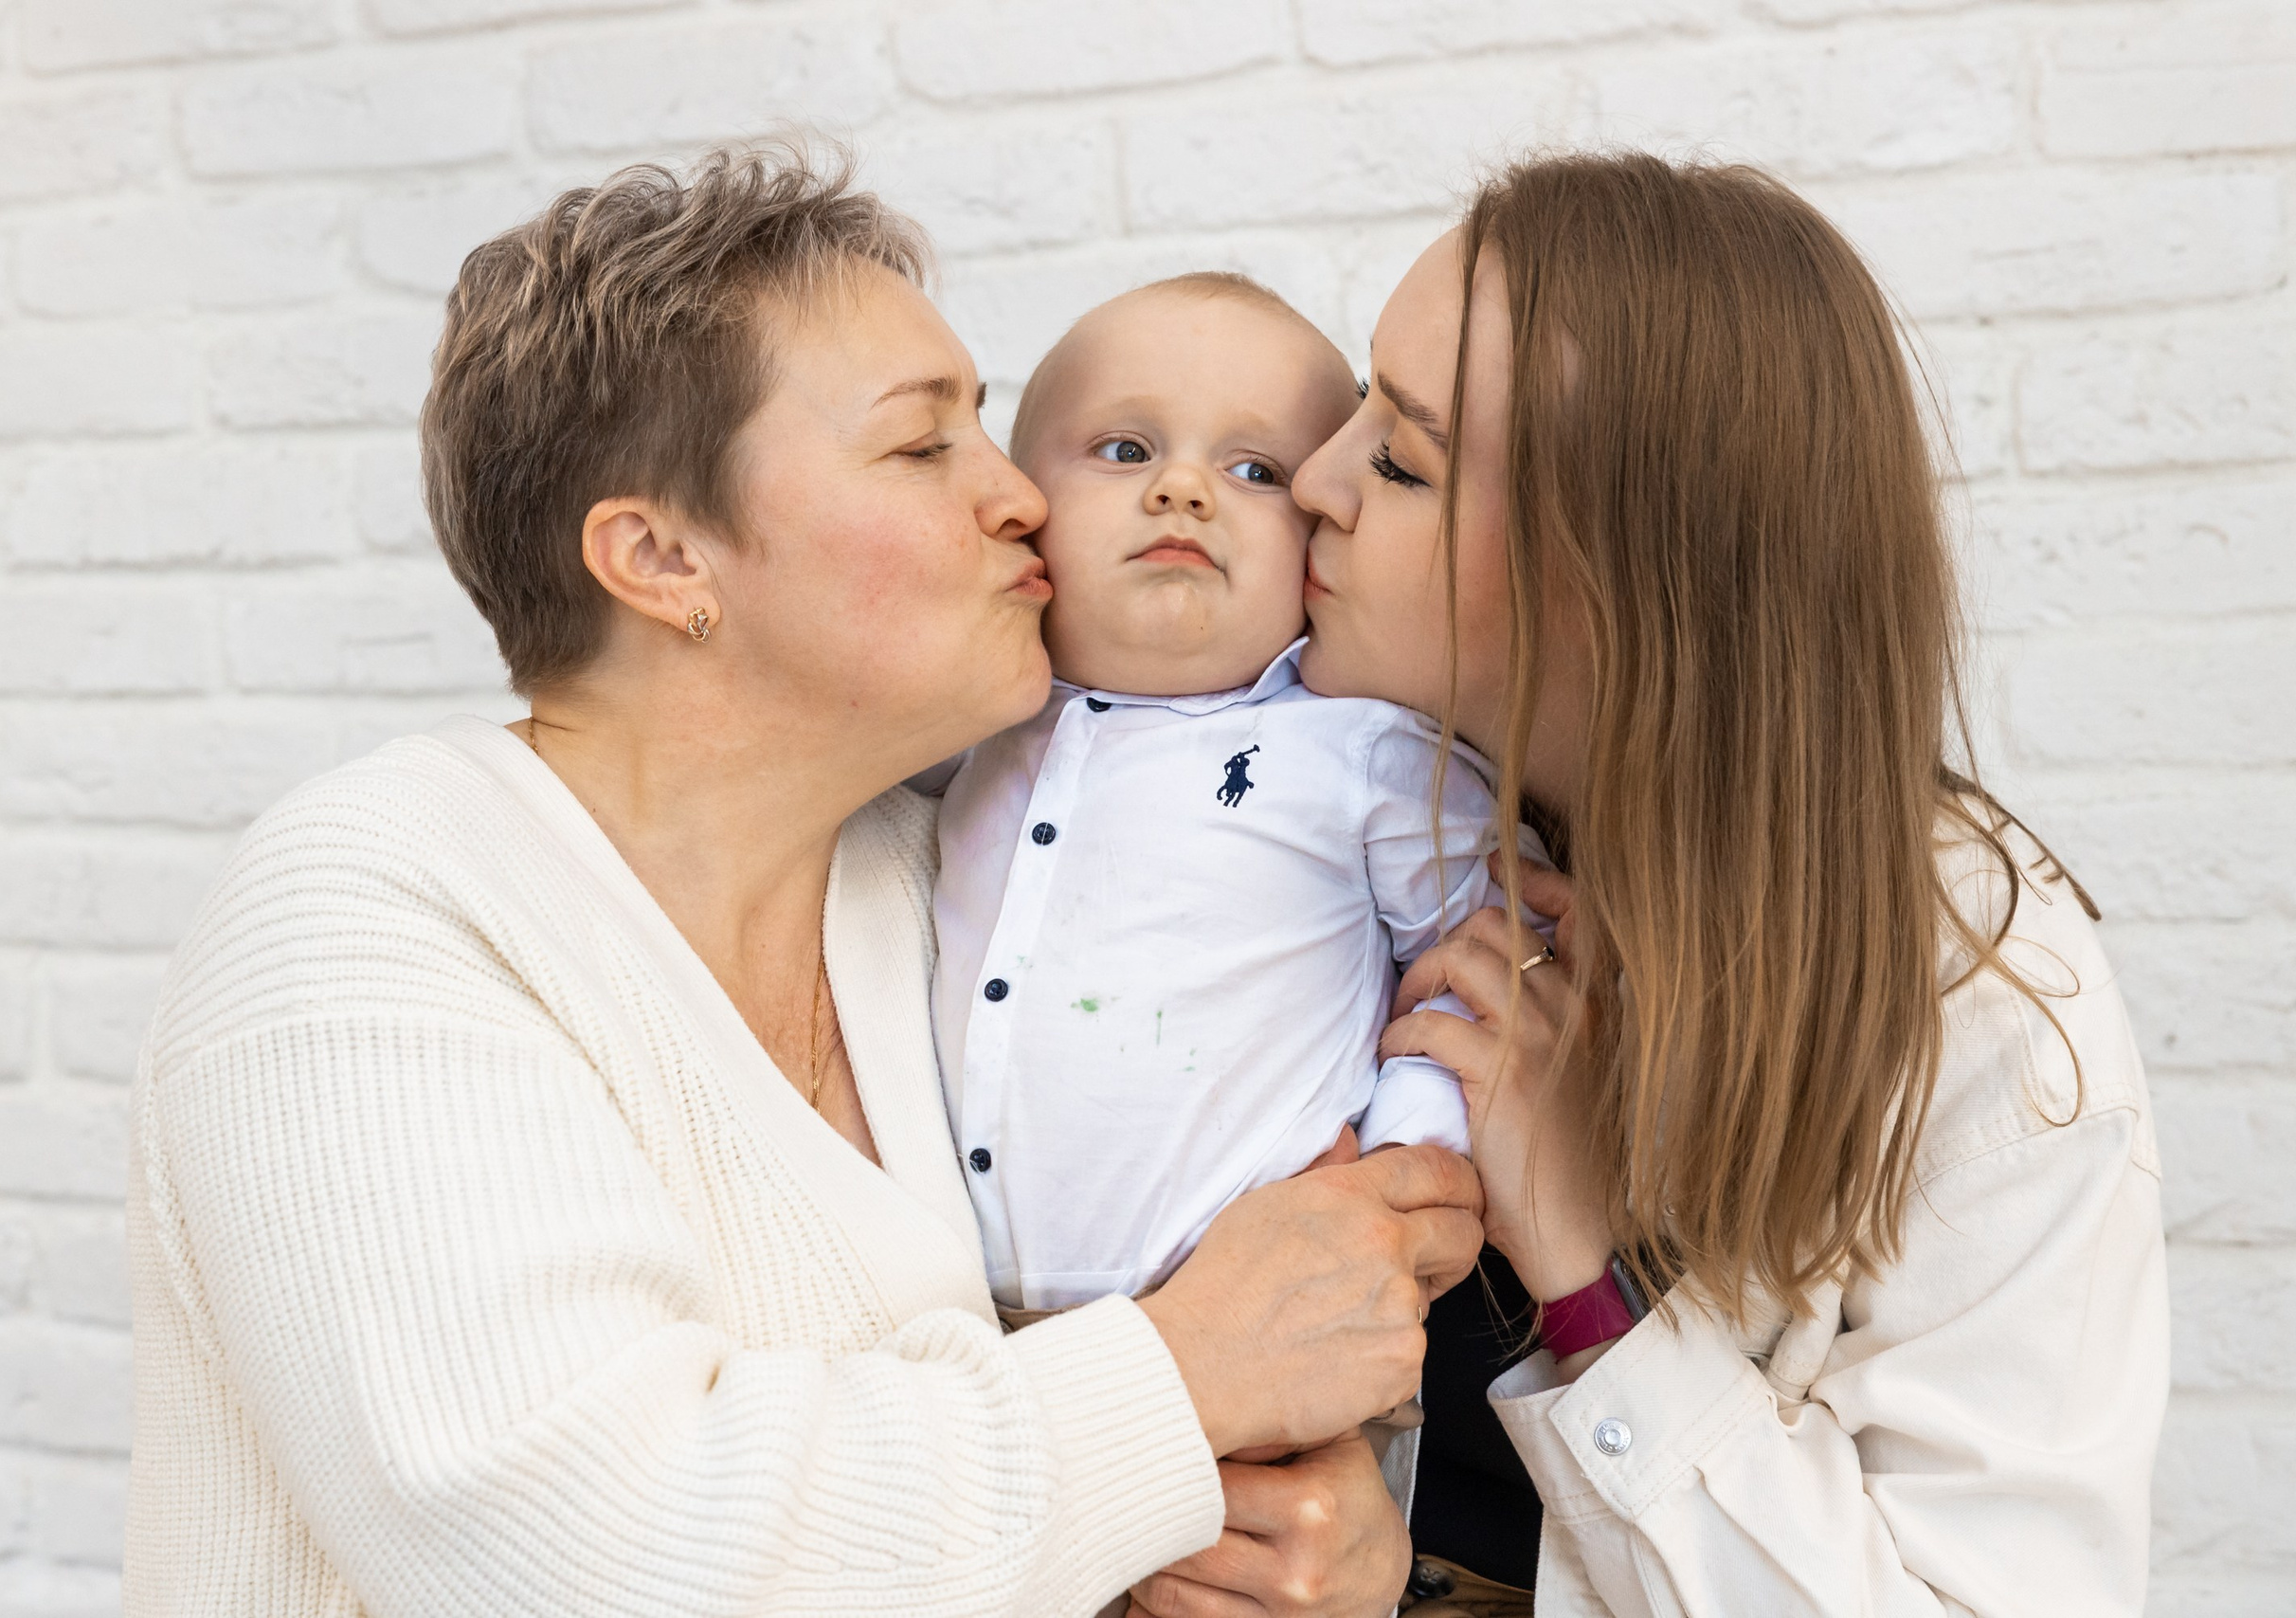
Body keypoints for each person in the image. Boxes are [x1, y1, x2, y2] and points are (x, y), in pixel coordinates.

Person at [121, 146, 1482, 1618]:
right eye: (923, 446)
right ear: (661, 555)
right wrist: (1177, 1380)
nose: (1022, 495)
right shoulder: (368, 911)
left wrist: (1312, 1536)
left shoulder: (932, 875)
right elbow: (589, 1553)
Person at [1287, 152, 2169, 1614]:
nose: (1314, 479)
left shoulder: (1992, 1018)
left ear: (1615, 578)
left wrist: (1583, 1269)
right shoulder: (1298, 800)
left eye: (1401, 458)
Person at [931, 273, 1552, 1336]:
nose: (1183, 489)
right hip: (965, 1342)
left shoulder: (1359, 753)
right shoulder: (960, 735)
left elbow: (1493, 950)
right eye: (1124, 451)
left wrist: (1412, 1155)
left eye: (1255, 469)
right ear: (1024, 505)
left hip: (1286, 1328)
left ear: (1318, 537)